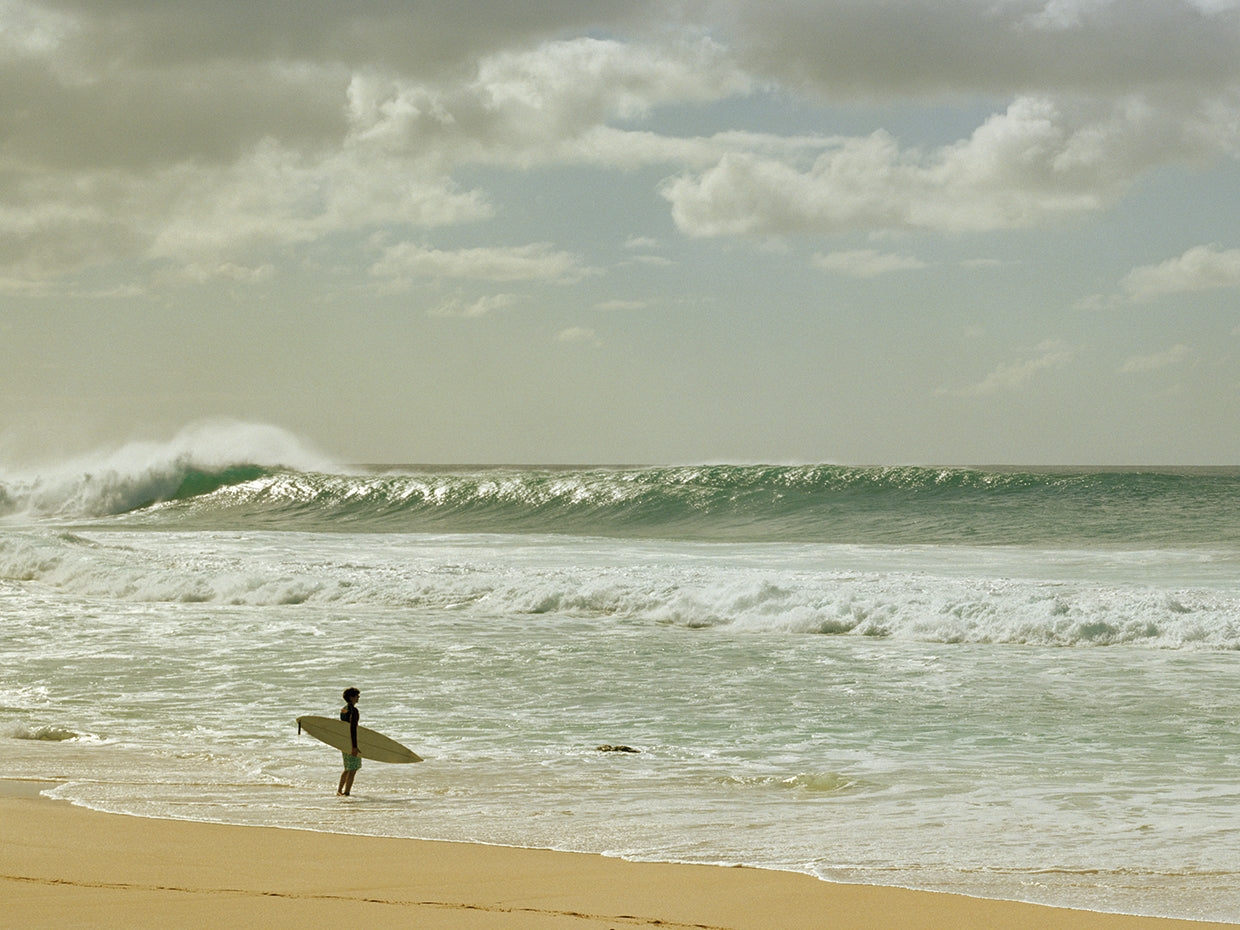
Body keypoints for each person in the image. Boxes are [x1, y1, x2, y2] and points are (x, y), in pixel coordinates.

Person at [337, 687, 361, 796]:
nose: (358, 698)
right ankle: (346, 793)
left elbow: (343, 728)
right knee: (353, 769)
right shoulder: (354, 711)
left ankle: (339, 791)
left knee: (347, 768)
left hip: (344, 742)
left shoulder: (343, 709)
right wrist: (355, 746)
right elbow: (353, 729)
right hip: (351, 742)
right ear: (351, 697)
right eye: (357, 696)